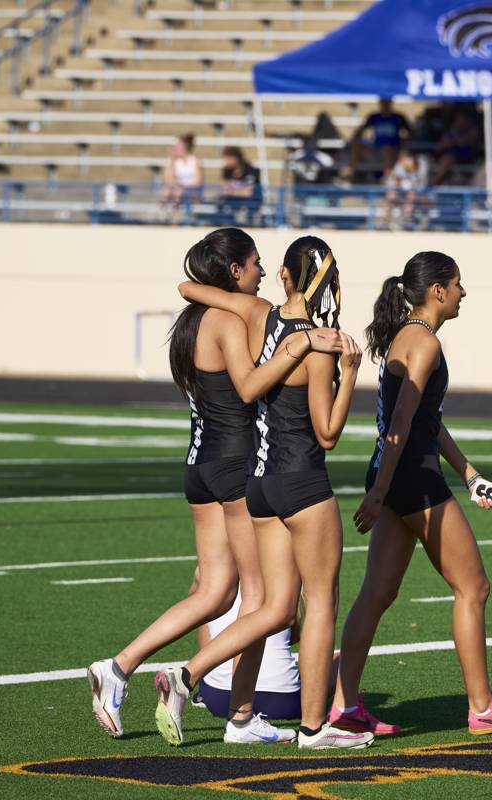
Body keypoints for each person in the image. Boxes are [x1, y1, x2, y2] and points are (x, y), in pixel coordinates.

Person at [87, 228, 341, 745]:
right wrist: (300, 344)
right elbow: (250, 387)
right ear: (234, 272)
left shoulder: (196, 319)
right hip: (234, 467)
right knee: (262, 601)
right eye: (253, 264)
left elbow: (186, 287)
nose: (263, 271)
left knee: (215, 590)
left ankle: (119, 666)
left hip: (199, 463)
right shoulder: (230, 319)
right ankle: (222, 702)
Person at [156, 237, 372, 751]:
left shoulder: (258, 313)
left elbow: (189, 286)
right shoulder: (318, 341)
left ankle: (187, 675)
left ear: (283, 276)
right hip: (302, 481)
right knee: (319, 604)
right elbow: (327, 434)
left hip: (258, 483)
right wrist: (350, 375)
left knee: (273, 608)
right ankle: (315, 729)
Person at [329, 252, 492, 737]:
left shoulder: (407, 337)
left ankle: (344, 708)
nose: (464, 292)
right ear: (438, 291)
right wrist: (379, 493)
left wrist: (469, 474)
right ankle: (484, 709)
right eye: (458, 284)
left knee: (376, 594)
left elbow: (426, 421)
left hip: (397, 477)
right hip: (411, 480)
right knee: (474, 588)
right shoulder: (423, 342)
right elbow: (401, 424)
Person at [197, 594, 300, 721]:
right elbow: (295, 636)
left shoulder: (216, 578)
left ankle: (190, 676)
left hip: (218, 698)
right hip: (283, 700)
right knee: (319, 609)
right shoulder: (285, 581)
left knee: (205, 606)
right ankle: (314, 726)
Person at [347, 98, 411, 178]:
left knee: (387, 149)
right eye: (383, 102)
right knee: (357, 147)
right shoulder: (374, 116)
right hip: (375, 150)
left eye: (386, 102)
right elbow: (359, 131)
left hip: (393, 151)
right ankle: (349, 175)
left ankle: (388, 178)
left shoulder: (398, 117)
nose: (385, 104)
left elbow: (410, 133)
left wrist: (403, 145)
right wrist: (358, 139)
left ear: (390, 102)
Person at [380, 142, 430, 229]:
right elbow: (394, 184)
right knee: (390, 195)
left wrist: (409, 189)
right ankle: (385, 223)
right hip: (403, 194)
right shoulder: (400, 165)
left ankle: (406, 222)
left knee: (412, 195)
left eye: (404, 160)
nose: (402, 162)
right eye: (401, 160)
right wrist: (399, 184)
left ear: (411, 159)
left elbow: (422, 187)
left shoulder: (422, 165)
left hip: (420, 195)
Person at [160, 133, 204, 219]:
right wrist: (172, 161)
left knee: (178, 191)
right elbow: (168, 180)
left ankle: (169, 214)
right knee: (166, 190)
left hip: (193, 191)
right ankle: (164, 213)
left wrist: (183, 187)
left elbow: (197, 181)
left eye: (178, 146)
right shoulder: (174, 162)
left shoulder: (195, 160)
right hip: (177, 190)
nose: (176, 149)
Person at [217, 146, 262, 224]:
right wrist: (237, 191)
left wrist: (231, 191)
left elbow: (248, 192)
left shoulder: (250, 170)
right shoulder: (226, 171)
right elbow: (223, 190)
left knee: (250, 205)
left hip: (250, 201)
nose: (226, 162)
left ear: (236, 158)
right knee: (220, 203)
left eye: (228, 159)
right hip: (232, 200)